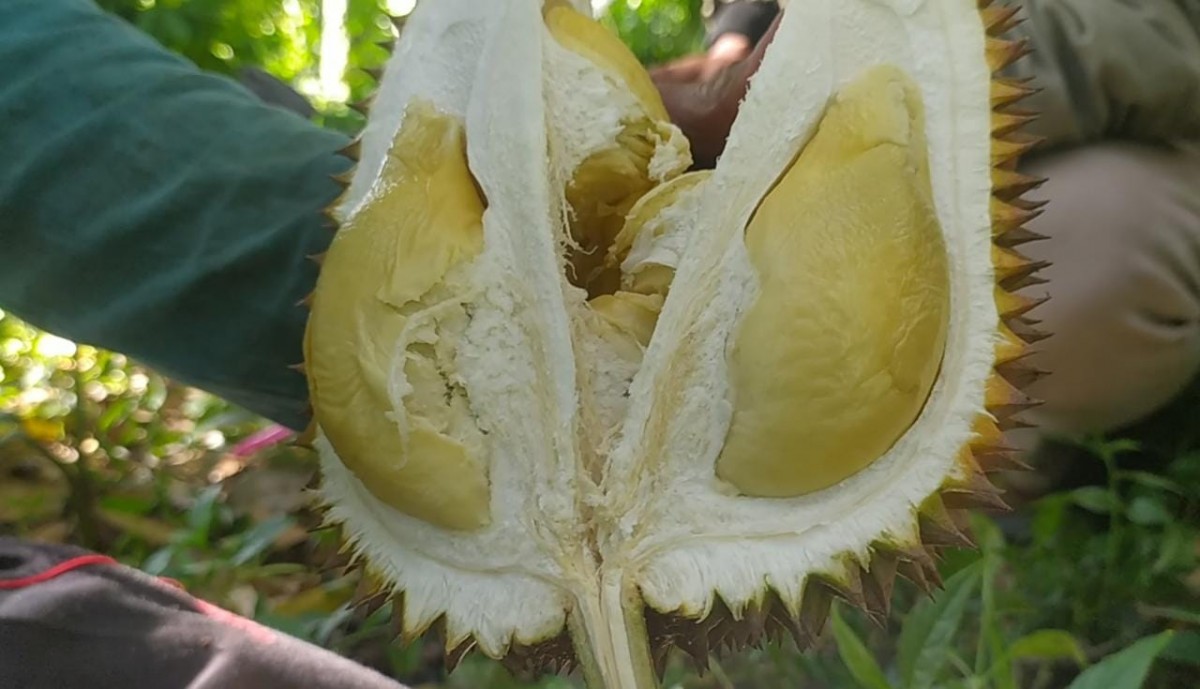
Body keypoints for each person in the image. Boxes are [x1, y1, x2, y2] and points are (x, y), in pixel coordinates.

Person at [0, 0, 1196, 687]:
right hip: (769, 134)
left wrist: (783, 89)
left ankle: (1084, 466)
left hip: (1131, 131)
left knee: (1106, 247)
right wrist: (735, 62)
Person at [651, 0, 1200, 501]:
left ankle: (1006, 475)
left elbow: (1167, 35)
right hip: (868, 95)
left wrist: (921, 53)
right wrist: (734, 45)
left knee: (1092, 244)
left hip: (1143, 130)